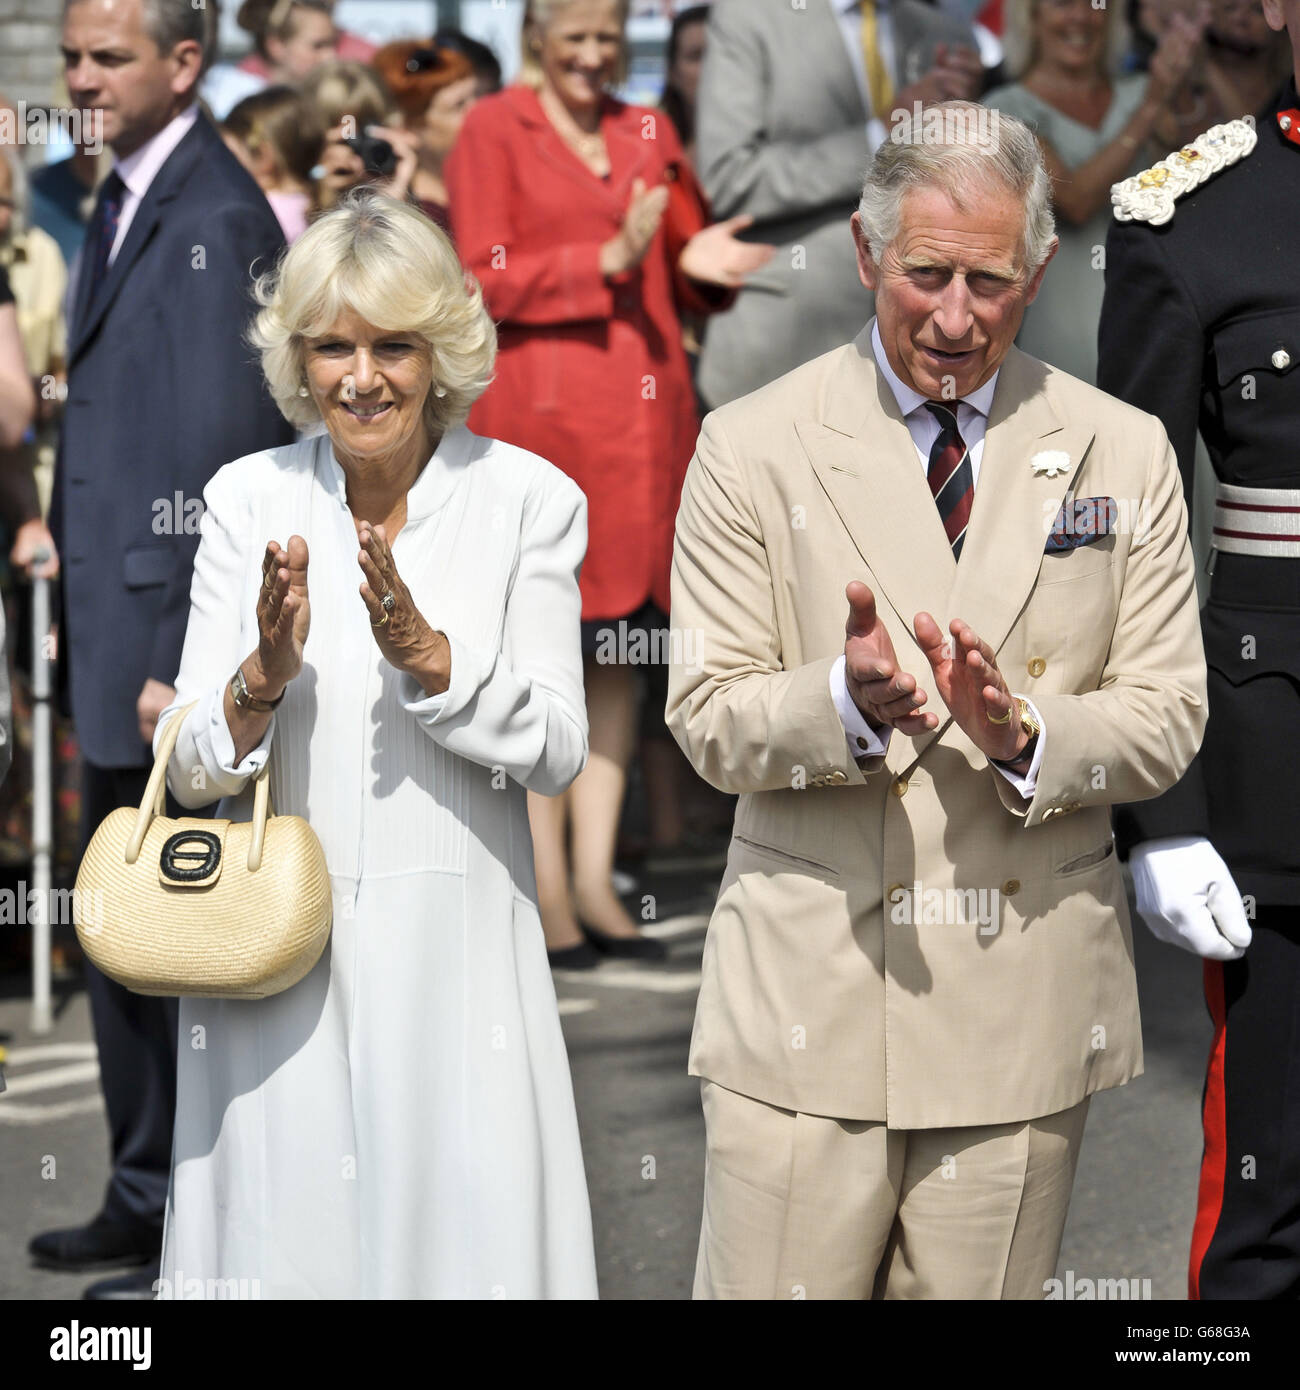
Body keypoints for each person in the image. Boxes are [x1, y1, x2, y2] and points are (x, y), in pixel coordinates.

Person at [667, 101, 1208, 1299]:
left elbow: (1168, 712)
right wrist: (847, 706)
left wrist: (1025, 732)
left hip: (1017, 1011)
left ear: (1042, 268)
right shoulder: (750, 446)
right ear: (864, 255)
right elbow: (705, 712)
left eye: (990, 282)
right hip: (805, 1009)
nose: (955, 319)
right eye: (923, 276)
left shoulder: (1121, 450)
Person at [154, 188, 598, 1299]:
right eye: (332, 347)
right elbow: (191, 767)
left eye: (393, 345)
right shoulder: (244, 498)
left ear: (440, 349)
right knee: (283, 1249)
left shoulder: (527, 499)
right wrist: (259, 679)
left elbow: (556, 747)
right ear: (297, 361)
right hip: (275, 964)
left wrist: (434, 659)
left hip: (457, 964)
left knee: (460, 1253)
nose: (362, 377)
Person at [30, 0, 293, 1300]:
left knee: (184, 932)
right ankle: (141, 1195)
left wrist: (195, 657)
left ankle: (198, 1221)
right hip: (112, 615)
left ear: (186, 63)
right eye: (71, 55)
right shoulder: (133, 187)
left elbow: (224, 465)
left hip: (163, 637)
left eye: (108, 56)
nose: (79, 77)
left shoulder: (215, 211)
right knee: (121, 920)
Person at [446, 0, 770, 969]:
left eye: (605, 36)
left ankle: (594, 880)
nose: (593, 56)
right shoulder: (488, 127)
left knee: (620, 654)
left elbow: (682, 252)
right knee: (542, 648)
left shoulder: (646, 127)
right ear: (535, 34)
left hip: (645, 424)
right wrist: (601, 260)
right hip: (542, 423)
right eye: (573, 37)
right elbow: (476, 274)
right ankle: (543, 886)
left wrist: (701, 264)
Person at [1098, 0, 1300, 1303]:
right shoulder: (1193, 216)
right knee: (1275, 1197)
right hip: (1285, 775)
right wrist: (1156, 812)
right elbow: (1115, 526)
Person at [692, 0, 983, 410]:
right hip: (784, 351)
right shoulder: (747, 16)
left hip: (929, 350)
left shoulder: (945, 33)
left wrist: (973, 121)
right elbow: (726, 179)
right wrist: (881, 134)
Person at [984, 0, 1203, 383]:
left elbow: (1197, 181)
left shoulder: (1144, 90)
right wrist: (1151, 107)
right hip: (1063, 329)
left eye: (1095, 4)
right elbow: (1076, 202)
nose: (1082, 16)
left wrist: (1183, 71)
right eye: (1062, 4)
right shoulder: (1002, 110)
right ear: (1032, 18)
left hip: (1156, 320)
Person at [371, 41, 479, 233]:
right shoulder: (419, 219)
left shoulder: (472, 188)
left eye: (476, 96)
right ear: (407, 128)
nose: (478, 111)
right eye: (459, 105)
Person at [202, 0, 338, 120]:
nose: (331, 56)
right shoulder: (231, 103)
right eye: (318, 46)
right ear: (276, 45)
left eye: (333, 44)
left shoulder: (330, 104)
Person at [222, 86, 324, 243]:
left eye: (232, 155)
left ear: (263, 157)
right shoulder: (318, 204)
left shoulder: (256, 214)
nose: (224, 165)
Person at [660, 4, 710, 162]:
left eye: (719, 55)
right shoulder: (650, 145)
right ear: (672, 72)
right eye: (696, 56)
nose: (711, 67)